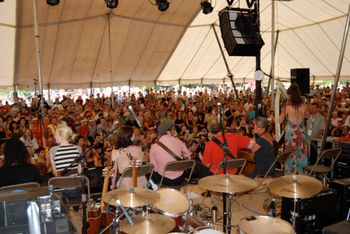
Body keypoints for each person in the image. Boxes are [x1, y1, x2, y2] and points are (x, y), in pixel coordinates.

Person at [279, 84, 309, 175]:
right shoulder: (304, 106)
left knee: (290, 153)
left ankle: (290, 174)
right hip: (301, 132)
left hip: (291, 133)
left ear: (290, 95)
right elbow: (307, 116)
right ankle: (301, 174)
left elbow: (280, 121)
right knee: (301, 153)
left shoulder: (287, 107)